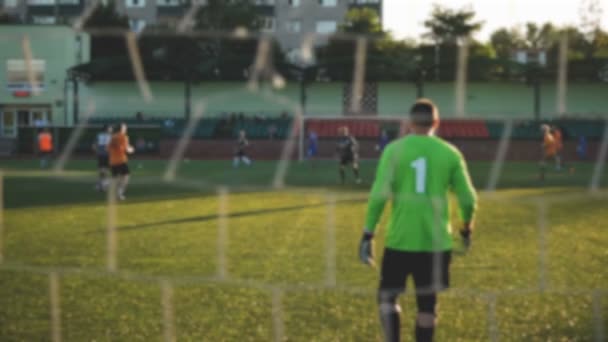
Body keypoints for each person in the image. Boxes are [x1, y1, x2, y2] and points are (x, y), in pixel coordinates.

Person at [358, 99, 477, 342]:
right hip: (436, 243)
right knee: (427, 305)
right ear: (436, 122)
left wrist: (368, 234)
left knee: (387, 297)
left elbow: (379, 196)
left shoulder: (394, 150)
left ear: (410, 123)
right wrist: (466, 229)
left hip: (400, 240)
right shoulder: (450, 153)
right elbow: (468, 199)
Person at [107, 123, 134, 201]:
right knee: (126, 176)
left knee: (116, 178)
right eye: (125, 128)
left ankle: (112, 189)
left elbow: (108, 149)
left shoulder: (112, 137)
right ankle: (120, 193)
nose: (126, 129)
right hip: (121, 160)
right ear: (122, 129)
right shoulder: (124, 137)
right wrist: (131, 150)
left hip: (112, 161)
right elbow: (126, 149)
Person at [92, 124, 113, 191]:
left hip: (101, 155)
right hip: (107, 155)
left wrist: (97, 152)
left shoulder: (98, 135)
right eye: (110, 128)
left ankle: (100, 184)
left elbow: (94, 146)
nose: (111, 129)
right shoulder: (111, 136)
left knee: (102, 169)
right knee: (106, 170)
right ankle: (104, 184)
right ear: (107, 129)